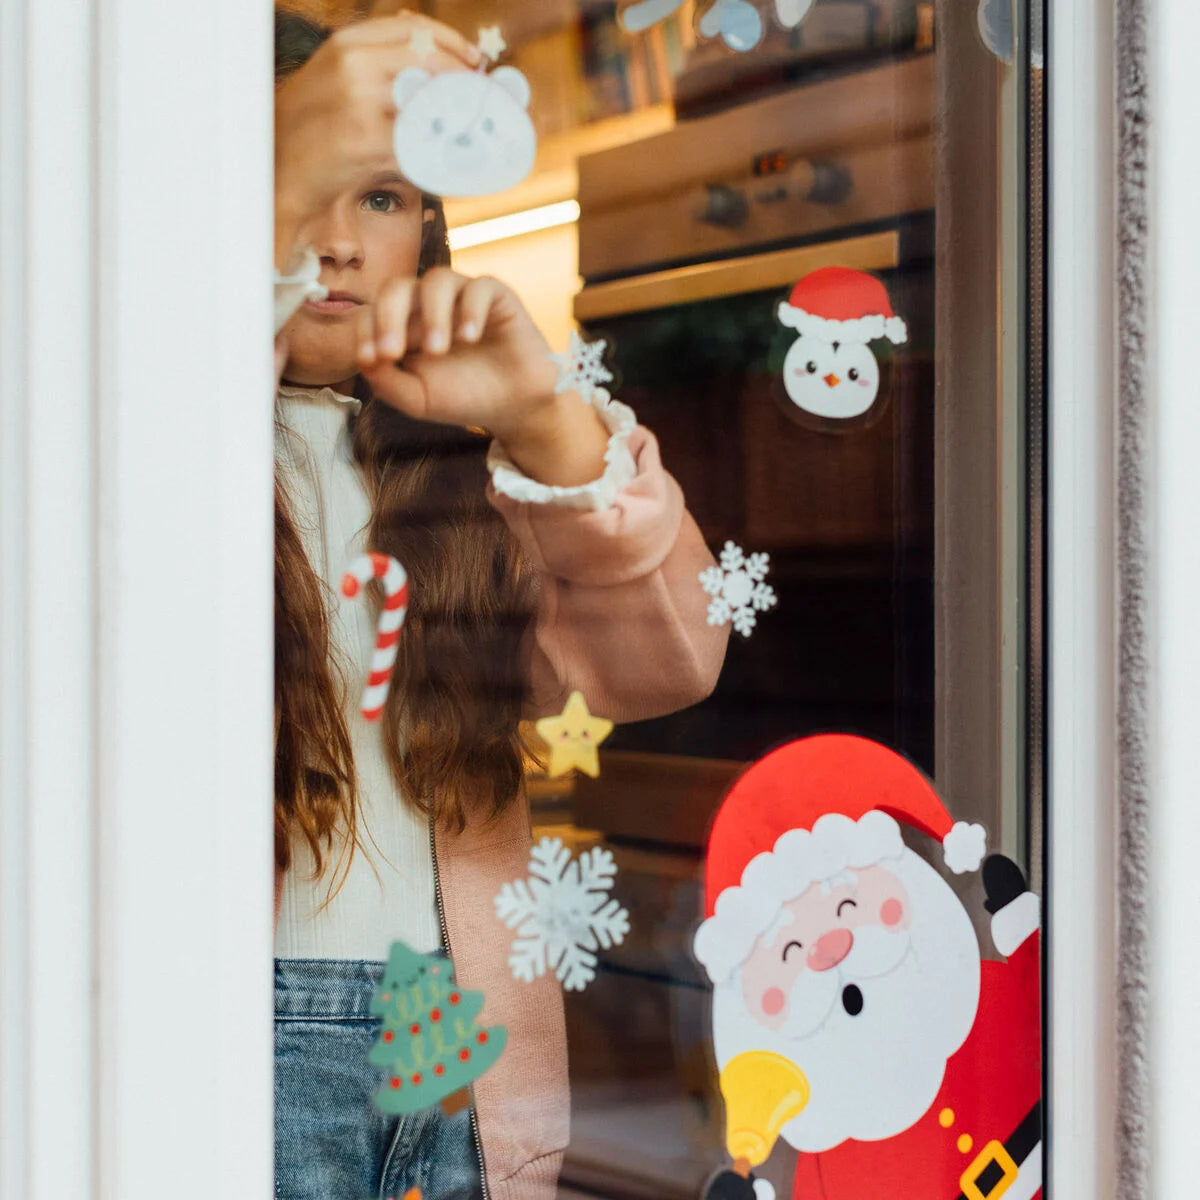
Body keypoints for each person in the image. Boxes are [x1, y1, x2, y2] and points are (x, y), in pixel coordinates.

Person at [270, 9, 730, 1200]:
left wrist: (548, 432)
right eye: (295, 184)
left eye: (380, 197)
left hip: (457, 1059)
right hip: (222, 1046)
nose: (334, 241)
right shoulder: (132, 430)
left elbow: (668, 667)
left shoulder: (466, 476)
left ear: (429, 224)